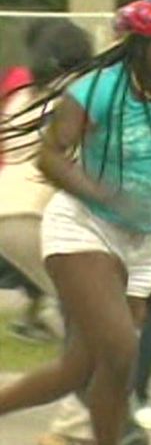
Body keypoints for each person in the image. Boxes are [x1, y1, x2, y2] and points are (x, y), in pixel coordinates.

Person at [0, 0, 151, 445]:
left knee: (83, 365)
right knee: (119, 348)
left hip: (146, 240)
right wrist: (99, 192)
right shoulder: (95, 91)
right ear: (139, 46)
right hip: (84, 227)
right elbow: (51, 155)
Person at [0, 18, 93, 343]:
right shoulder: (70, 100)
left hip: (8, 209)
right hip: (34, 213)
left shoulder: (23, 97)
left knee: (78, 304)